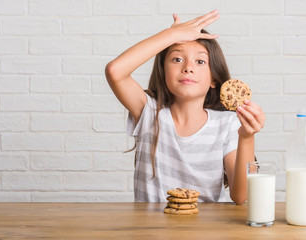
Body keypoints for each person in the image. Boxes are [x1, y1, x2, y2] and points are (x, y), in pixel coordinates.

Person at [105, 10, 265, 204]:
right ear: (163, 71)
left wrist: (247, 137)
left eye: (200, 61)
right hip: (152, 232)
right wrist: (170, 35)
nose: (188, 67)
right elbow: (115, 71)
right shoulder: (149, 113)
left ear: (214, 78)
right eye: (177, 59)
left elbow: (241, 196)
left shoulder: (227, 123)